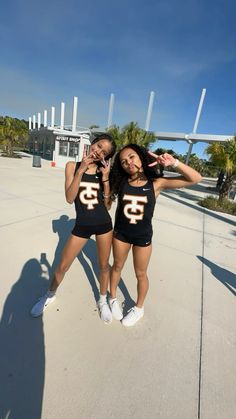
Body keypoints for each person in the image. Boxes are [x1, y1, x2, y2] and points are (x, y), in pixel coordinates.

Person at [108, 144, 202, 327]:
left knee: (141, 274)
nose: (128, 162)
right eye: (124, 161)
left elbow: (195, 178)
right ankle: (112, 298)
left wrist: (174, 163)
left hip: (143, 237)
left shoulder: (156, 183)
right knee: (117, 266)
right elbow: (107, 198)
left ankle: (139, 308)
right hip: (121, 234)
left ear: (141, 157)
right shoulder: (122, 182)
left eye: (132, 157)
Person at [31, 133, 116, 323]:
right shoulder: (72, 166)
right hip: (82, 225)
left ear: (106, 157)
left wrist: (106, 179)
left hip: (104, 224)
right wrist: (81, 171)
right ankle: (49, 295)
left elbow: (108, 206)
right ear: (92, 144)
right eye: (98, 145)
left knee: (103, 265)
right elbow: (70, 198)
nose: (98, 151)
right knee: (62, 265)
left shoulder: (103, 172)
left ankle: (102, 300)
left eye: (104, 152)